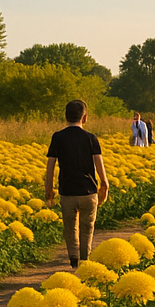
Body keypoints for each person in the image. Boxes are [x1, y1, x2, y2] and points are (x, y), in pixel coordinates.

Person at [45, 99, 110, 268]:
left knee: (70, 228)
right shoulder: (91, 138)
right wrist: (104, 184)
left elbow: (50, 166)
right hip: (89, 191)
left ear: (65, 117)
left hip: (67, 192)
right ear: (85, 118)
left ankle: (74, 262)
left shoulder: (58, 137)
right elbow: (99, 164)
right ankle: (85, 260)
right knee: (87, 227)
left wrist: (49, 190)